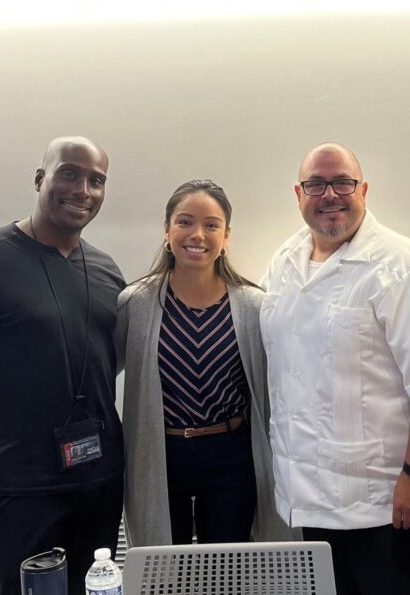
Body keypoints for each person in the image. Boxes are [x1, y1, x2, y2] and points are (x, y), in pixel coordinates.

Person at [260, 142, 410, 595]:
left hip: (384, 504)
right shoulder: (283, 262)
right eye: (316, 184)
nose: (330, 194)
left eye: (343, 182)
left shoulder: (400, 264)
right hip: (305, 497)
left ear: (364, 190)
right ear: (298, 194)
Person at [0, 137, 125, 595]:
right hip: (17, 488)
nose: (83, 190)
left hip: (100, 484)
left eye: (97, 181)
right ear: (40, 179)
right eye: (69, 173)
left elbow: (100, 361)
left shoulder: (108, 271)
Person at [115, 179, 292, 546]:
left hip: (230, 455)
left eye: (212, 225)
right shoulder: (136, 303)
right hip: (161, 456)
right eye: (185, 221)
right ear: (167, 230)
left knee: (226, 569)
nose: (198, 234)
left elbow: (282, 381)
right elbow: (95, 370)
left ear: (226, 237)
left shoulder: (253, 305)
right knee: (165, 570)